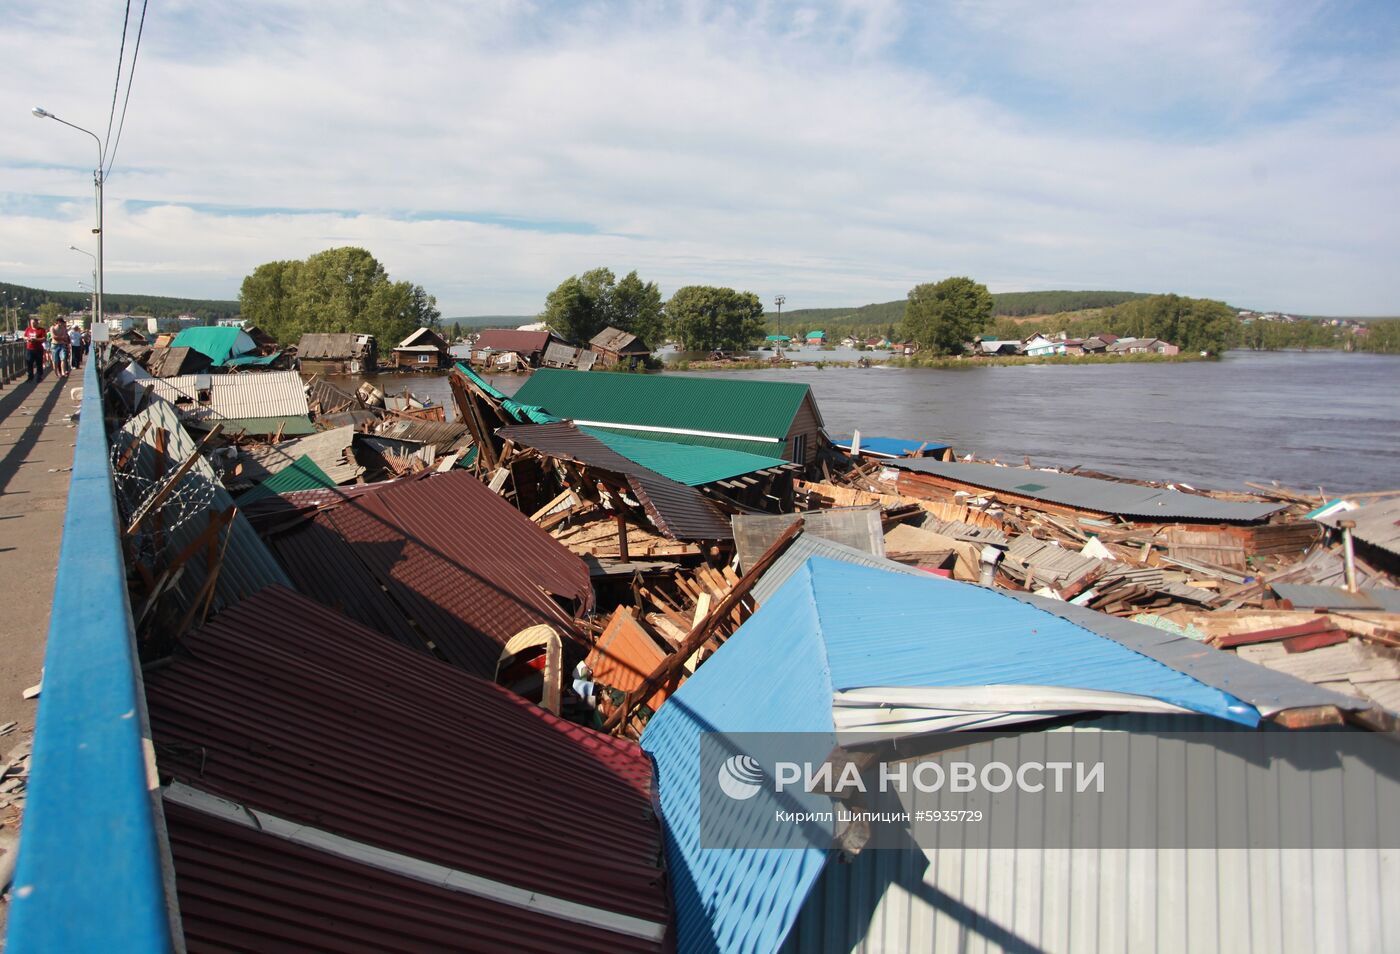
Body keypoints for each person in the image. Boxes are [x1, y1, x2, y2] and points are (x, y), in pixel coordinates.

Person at [23, 317, 46, 382]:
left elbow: (44, 338)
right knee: (29, 363)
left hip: (38, 349)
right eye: (31, 323)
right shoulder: (28, 329)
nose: (32, 324)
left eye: (33, 323)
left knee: (39, 363)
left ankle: (39, 376)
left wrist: (36, 340)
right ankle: (30, 377)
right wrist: (27, 338)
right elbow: (24, 336)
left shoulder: (41, 330)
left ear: (37, 323)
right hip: (29, 349)